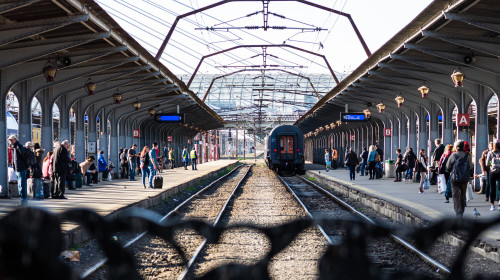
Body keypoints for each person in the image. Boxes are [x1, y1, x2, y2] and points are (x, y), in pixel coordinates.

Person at [446, 140, 474, 216]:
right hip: (464, 178)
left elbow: (448, 167)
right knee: (463, 194)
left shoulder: (453, 155)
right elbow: (471, 167)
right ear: (463, 147)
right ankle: (462, 209)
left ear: (456, 147)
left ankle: (458, 210)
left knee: (455, 194)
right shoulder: (468, 155)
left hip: (455, 178)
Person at [486, 140, 500, 211]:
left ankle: (492, 205)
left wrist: (492, 164)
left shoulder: (490, 153)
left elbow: (487, 164)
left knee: (492, 188)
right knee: (499, 188)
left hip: (492, 172)